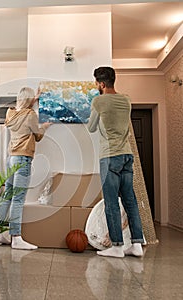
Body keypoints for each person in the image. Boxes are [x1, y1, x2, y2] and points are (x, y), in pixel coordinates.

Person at [88, 66, 144, 258]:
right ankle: (137, 244)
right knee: (130, 201)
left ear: (101, 84)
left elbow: (91, 127)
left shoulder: (98, 101)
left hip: (110, 156)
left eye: (96, 82)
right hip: (127, 156)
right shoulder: (126, 99)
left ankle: (117, 247)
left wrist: (97, 103)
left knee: (111, 203)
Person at [0, 87, 51, 250]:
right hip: (23, 158)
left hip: (11, 159)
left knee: (7, 196)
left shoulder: (10, 114)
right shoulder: (31, 115)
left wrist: (35, 99)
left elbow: (24, 113)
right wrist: (45, 126)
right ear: (29, 100)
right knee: (18, 198)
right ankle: (16, 237)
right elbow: (38, 135)